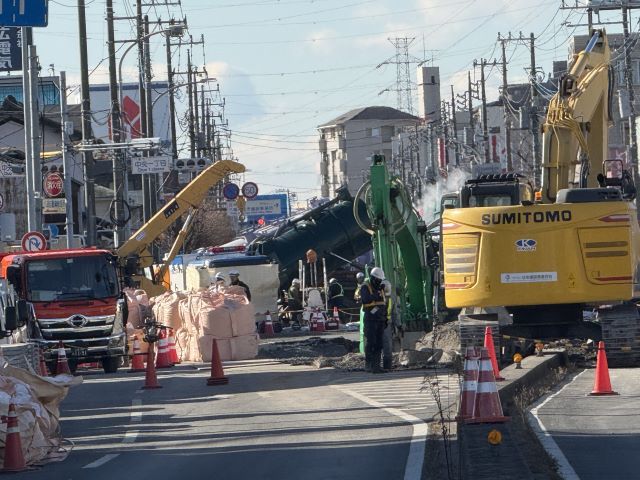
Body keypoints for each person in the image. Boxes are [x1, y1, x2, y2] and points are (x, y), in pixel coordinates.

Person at [359, 267, 387, 373]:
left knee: (379, 343)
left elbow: (384, 304)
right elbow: (366, 299)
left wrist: (385, 319)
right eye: (378, 280)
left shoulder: (380, 288)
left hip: (380, 319)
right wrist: (376, 294)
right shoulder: (365, 287)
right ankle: (369, 365)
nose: (379, 282)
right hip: (370, 319)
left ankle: (376, 366)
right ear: (373, 278)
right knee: (371, 342)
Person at [381, 279, 395, 371]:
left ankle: (387, 366)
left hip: (386, 324)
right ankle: (384, 366)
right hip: (382, 324)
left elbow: (395, 313)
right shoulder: (378, 297)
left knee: (387, 346)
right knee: (385, 345)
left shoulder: (390, 299)